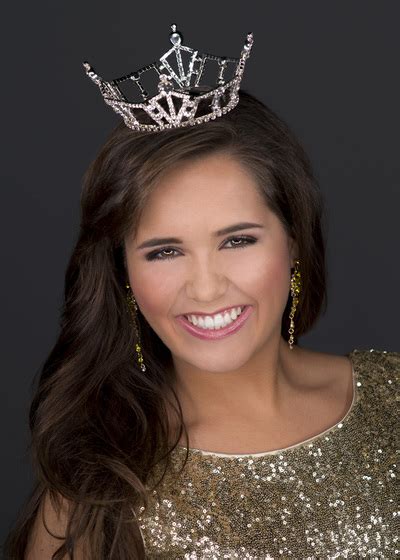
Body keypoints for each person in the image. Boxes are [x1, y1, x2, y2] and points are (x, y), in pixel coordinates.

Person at [5, 25, 398, 560]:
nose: (207, 287)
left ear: (294, 243)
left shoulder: (392, 399)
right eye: (164, 251)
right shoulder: (94, 487)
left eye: (237, 240)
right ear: (123, 273)